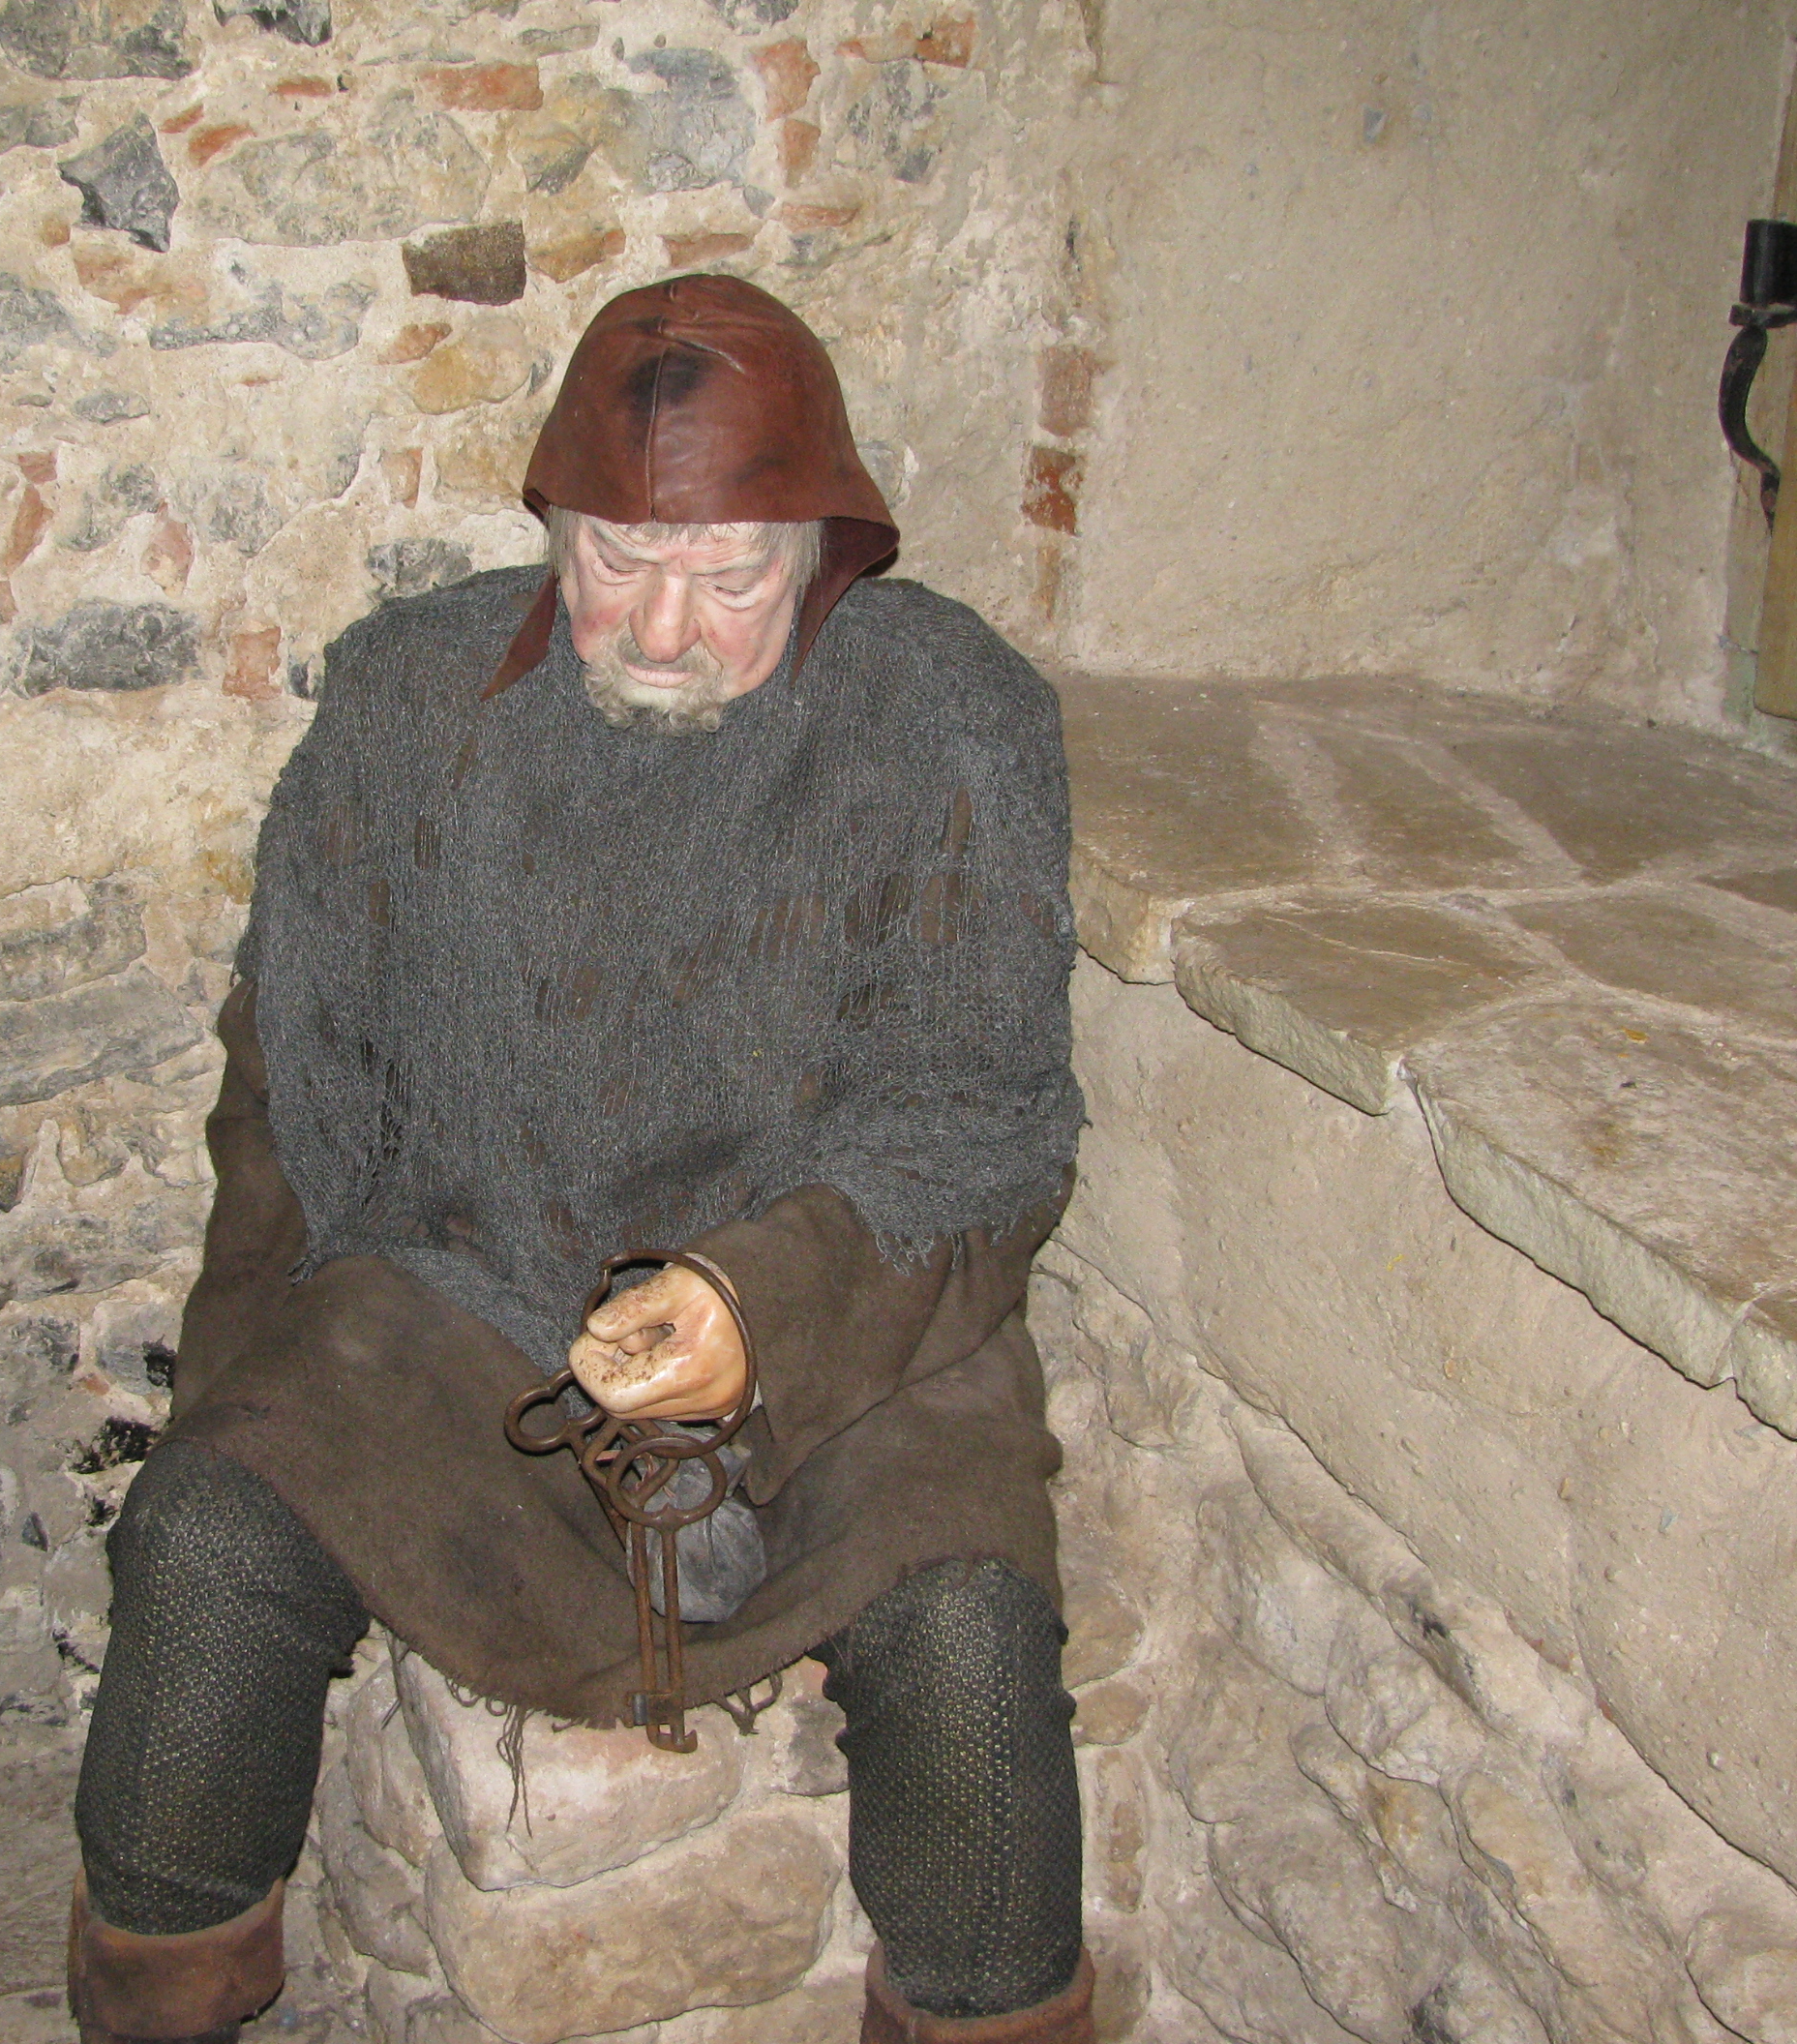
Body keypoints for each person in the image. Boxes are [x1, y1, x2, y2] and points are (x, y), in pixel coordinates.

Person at [70, 274, 1091, 2044]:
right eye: (619, 559)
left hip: (847, 1308)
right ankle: (162, 1993)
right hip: (471, 1290)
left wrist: (757, 1302)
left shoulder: (947, 721)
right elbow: (296, 1080)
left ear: (823, 556)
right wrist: (241, 1397)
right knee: (210, 1544)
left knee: (970, 1653)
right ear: (554, 524)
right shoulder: (410, 700)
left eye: (731, 578)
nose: (664, 629)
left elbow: (980, 1113)